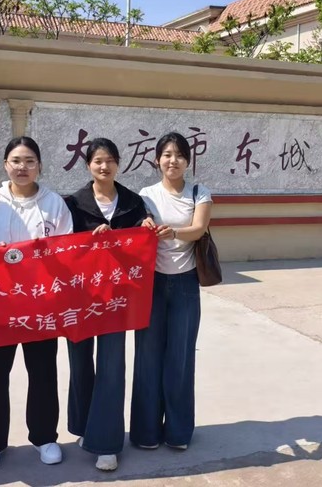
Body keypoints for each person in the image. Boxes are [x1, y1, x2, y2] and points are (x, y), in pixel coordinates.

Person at [0, 136, 73, 470]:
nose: (22, 167)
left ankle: (44, 437)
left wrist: (47, 252)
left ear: (39, 166)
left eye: (29, 161)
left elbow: (66, 246)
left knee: (43, 371)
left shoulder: (54, 203)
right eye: (16, 161)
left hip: (40, 302)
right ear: (5, 165)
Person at [64, 138, 154, 471]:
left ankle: (106, 443)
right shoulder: (73, 203)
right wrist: (89, 242)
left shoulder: (133, 203)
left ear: (118, 163)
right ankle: (84, 426)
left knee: (112, 366)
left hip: (117, 298)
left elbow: (142, 245)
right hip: (81, 297)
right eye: (98, 161)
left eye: (110, 160)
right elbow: (63, 248)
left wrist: (146, 227)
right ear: (88, 165)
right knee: (80, 363)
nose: (104, 166)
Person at [130, 131, 213, 451]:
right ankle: (146, 432)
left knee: (180, 358)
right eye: (166, 154)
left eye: (179, 155)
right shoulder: (146, 195)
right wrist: (145, 226)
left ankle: (178, 433)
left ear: (187, 161)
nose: (172, 160)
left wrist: (172, 233)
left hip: (185, 286)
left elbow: (198, 229)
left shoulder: (199, 193)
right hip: (151, 284)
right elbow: (139, 227)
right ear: (156, 160)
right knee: (148, 357)